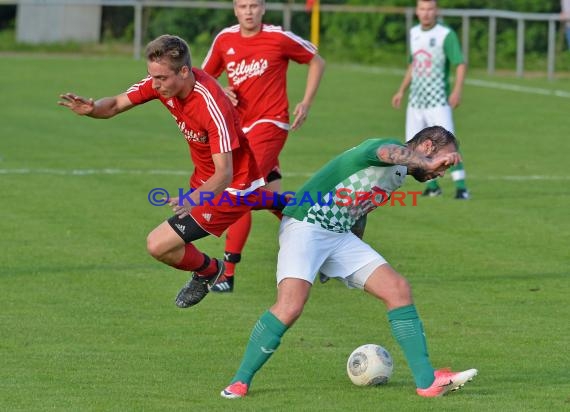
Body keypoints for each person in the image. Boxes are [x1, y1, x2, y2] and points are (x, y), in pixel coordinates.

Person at [220, 126, 477, 399]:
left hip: (339, 236)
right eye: (443, 161)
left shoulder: (399, 174)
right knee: (290, 306)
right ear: (427, 147)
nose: (441, 172)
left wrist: (345, 255)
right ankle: (239, 381)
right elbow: (386, 152)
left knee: (397, 289)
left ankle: (427, 382)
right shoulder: (387, 148)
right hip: (306, 226)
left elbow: (360, 207)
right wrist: (427, 163)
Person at [58, 34, 287, 309]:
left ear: (184, 71)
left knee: (158, 244)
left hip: (232, 187)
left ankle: (208, 270)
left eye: (162, 78)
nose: (155, 84)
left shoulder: (211, 105)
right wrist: (92, 109)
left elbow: (225, 173)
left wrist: (192, 200)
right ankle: (325, 212)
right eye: (151, 76)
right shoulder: (161, 83)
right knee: (268, 200)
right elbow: (117, 104)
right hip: (206, 178)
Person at [201, 0, 326, 293]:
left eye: (254, 5)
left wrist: (306, 102)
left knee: (239, 188)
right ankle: (329, 235)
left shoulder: (278, 38)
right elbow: (203, 78)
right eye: (243, 5)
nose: (248, 11)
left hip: (271, 124)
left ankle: (226, 273)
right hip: (238, 130)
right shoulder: (225, 39)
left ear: (263, 8)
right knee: (270, 197)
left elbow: (316, 60)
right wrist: (220, 89)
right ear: (234, 8)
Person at [392, 0, 469, 200]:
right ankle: (432, 186)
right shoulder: (414, 33)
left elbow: (459, 64)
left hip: (438, 100)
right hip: (416, 101)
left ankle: (461, 187)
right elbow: (413, 65)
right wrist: (401, 90)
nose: (426, 13)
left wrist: (457, 91)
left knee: (448, 144)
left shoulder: (445, 34)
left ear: (437, 11)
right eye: (422, 9)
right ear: (417, 11)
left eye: (430, 9)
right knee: (416, 146)